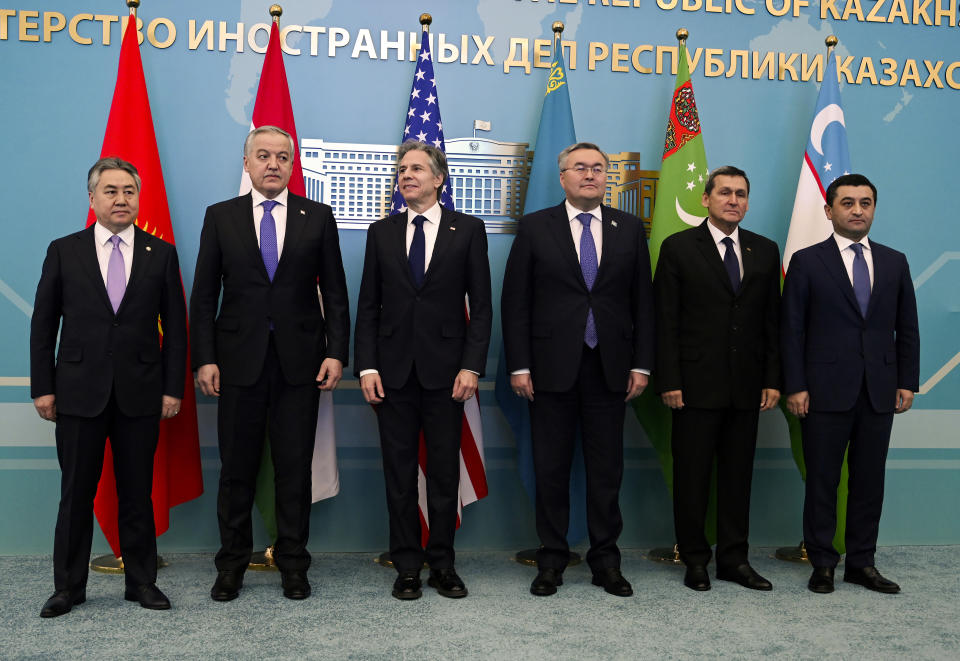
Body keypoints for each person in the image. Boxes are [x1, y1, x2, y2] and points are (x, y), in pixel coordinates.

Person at [190, 125, 350, 601]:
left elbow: (336, 294)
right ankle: (231, 566)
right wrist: (205, 358)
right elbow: (203, 296)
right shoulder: (220, 217)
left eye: (282, 156)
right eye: (263, 156)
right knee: (237, 470)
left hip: (300, 365)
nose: (273, 164)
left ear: (291, 164)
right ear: (247, 163)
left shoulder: (317, 217)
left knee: (293, 469)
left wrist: (336, 351)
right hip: (237, 364)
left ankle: (293, 564)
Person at [30, 157, 187, 616]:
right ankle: (68, 588)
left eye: (129, 191)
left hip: (141, 392)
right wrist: (44, 386)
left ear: (139, 198)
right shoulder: (64, 250)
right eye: (112, 190)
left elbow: (176, 329)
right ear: (93, 198)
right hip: (78, 392)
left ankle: (142, 583)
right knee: (76, 492)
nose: (122, 199)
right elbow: (44, 324)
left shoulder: (161, 254)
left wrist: (171, 388)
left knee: (137, 492)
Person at [501, 142, 654, 597]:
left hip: (610, 369)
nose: (590, 174)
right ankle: (551, 560)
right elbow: (516, 303)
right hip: (549, 370)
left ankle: (606, 561)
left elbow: (641, 302)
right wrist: (520, 365)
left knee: (607, 472)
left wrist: (642, 365)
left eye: (598, 168)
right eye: (580, 168)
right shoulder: (534, 227)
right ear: (563, 176)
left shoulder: (628, 228)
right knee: (551, 468)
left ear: (607, 177)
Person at [355, 141, 492, 600]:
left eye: (416, 168)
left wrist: (473, 366)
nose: (406, 174)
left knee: (443, 475)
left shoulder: (468, 230)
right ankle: (407, 565)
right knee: (398, 474)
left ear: (439, 178)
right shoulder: (382, 231)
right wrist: (367, 365)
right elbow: (368, 307)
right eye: (401, 168)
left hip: (448, 375)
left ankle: (443, 566)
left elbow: (483, 306)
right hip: (391, 374)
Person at [782, 173, 919, 595]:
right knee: (823, 479)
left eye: (865, 203)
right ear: (829, 210)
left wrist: (907, 381)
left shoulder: (895, 260)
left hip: (880, 389)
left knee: (868, 481)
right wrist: (796, 385)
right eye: (847, 203)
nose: (857, 210)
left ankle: (862, 563)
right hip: (822, 390)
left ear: (874, 209)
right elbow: (792, 329)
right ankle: (822, 563)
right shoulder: (807, 260)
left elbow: (906, 327)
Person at [654, 166, 781, 592]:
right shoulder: (678, 247)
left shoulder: (765, 250)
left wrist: (772, 379)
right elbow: (664, 320)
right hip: (691, 387)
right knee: (692, 479)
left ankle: (733, 559)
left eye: (741, 194)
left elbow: (771, 324)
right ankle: (694, 558)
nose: (733, 200)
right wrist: (669, 380)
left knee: (737, 477)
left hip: (747, 388)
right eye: (724, 192)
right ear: (705, 199)